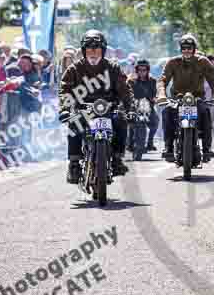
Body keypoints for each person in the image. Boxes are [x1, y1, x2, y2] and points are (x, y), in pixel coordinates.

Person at [58, 30, 134, 184]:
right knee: (74, 124)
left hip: (109, 109)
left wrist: (130, 108)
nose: (93, 52)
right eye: (89, 48)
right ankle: (74, 164)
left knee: (121, 120)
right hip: (84, 110)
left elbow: (124, 89)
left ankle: (117, 159)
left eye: (97, 48)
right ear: (84, 50)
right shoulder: (74, 69)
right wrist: (65, 109)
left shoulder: (113, 67)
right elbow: (65, 89)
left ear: (103, 50)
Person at [157, 33, 214, 162]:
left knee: (206, 112)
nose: (186, 51)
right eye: (184, 48)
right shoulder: (173, 62)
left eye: (189, 48)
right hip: (177, 99)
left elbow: (213, 81)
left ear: (194, 49)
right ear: (181, 49)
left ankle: (207, 149)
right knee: (167, 112)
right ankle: (168, 147)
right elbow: (162, 80)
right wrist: (162, 94)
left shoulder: (203, 61)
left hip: (197, 99)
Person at [127, 58, 160, 152]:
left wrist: (156, 99)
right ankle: (129, 143)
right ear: (136, 70)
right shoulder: (131, 81)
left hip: (148, 106)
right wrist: (129, 100)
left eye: (144, 70)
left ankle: (150, 142)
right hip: (134, 106)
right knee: (129, 121)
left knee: (155, 121)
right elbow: (127, 92)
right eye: (139, 70)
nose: (142, 72)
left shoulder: (153, 81)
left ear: (148, 70)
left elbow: (156, 93)